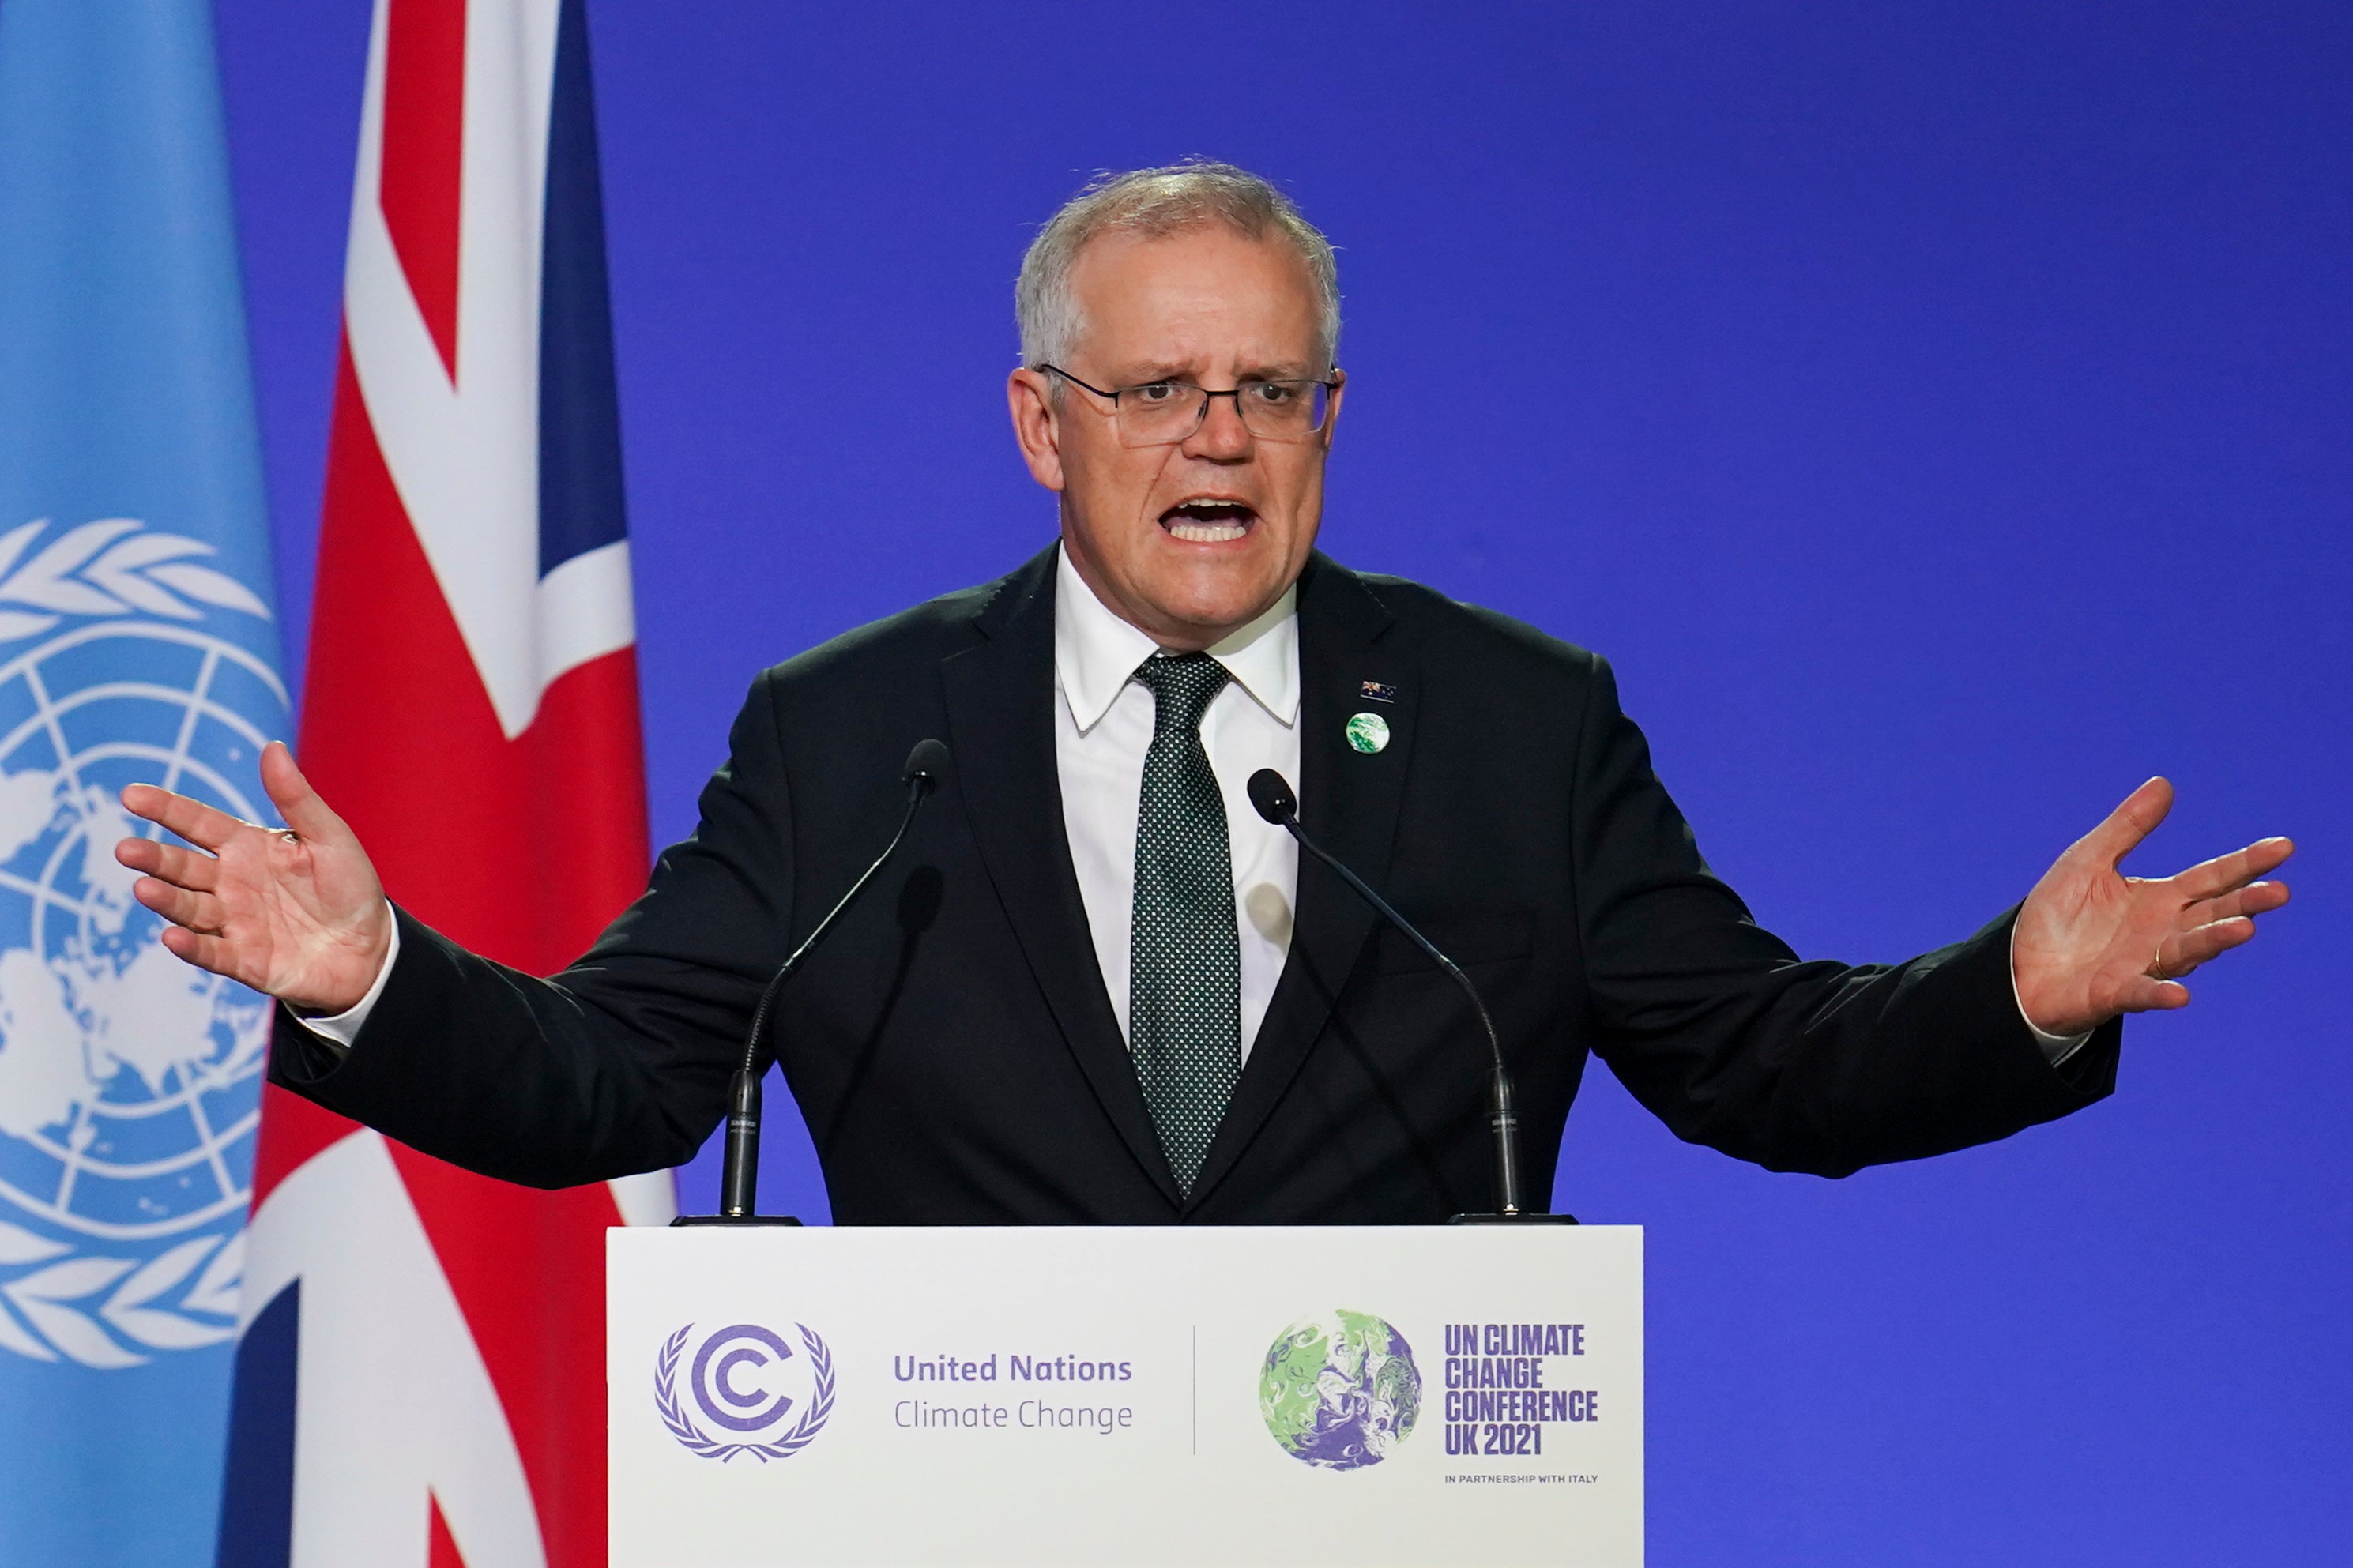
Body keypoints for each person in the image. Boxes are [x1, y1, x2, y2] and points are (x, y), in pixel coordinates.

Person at [115, 164, 2290, 1224]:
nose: (1217, 439)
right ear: (1038, 423)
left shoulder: (1512, 728)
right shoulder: (861, 737)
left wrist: (2008, 993)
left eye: (1266, 388)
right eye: (1155, 388)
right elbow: (621, 1077)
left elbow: (1759, 1062)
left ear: (1329, 417)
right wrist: (372, 973)